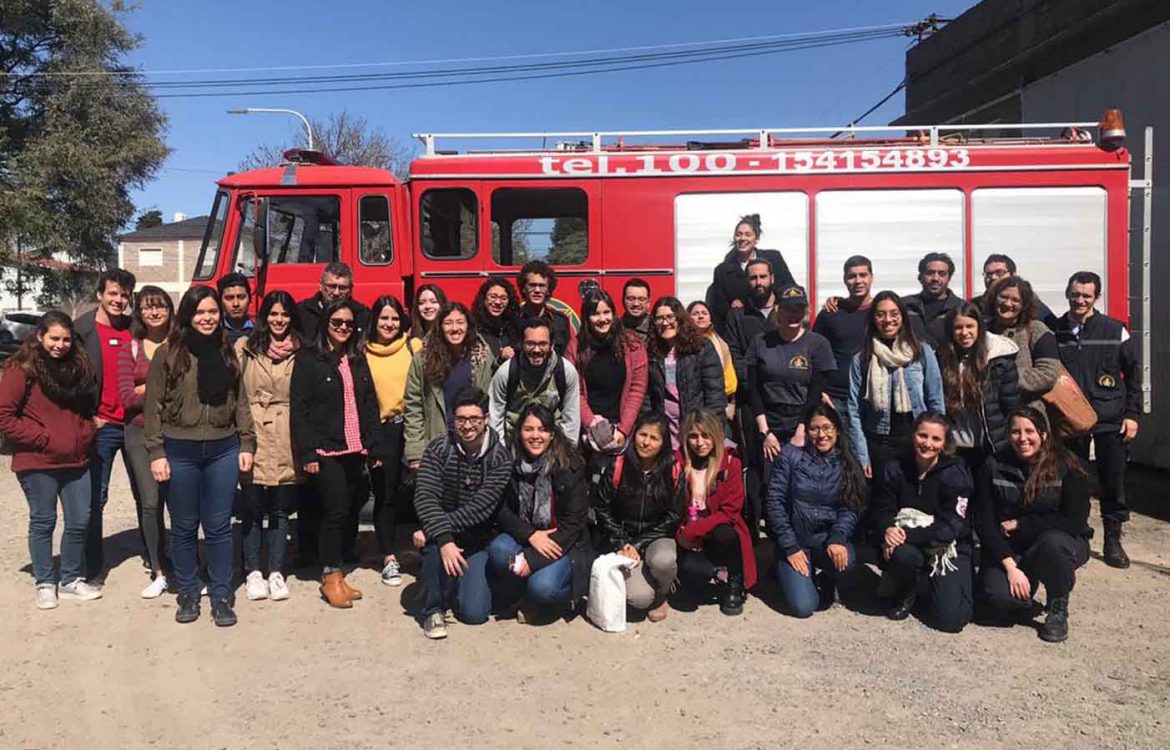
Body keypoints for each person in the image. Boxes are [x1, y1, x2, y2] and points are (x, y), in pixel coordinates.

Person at [144, 286, 256, 627]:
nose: (207, 318)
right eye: (200, 312)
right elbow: (153, 406)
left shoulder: (226, 351)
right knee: (184, 526)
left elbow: (240, 400)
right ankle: (189, 592)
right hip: (180, 449)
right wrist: (156, 452)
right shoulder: (167, 354)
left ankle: (221, 595)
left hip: (223, 448)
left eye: (212, 312)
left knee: (219, 526)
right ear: (188, 316)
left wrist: (247, 443)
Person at [0, 312, 100, 609]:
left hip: (77, 460)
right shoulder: (22, 369)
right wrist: (42, 437)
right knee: (43, 522)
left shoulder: (78, 366)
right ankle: (45, 582)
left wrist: (86, 430)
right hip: (38, 461)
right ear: (40, 336)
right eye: (54, 338)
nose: (60, 345)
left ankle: (70, 578)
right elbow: (4, 415)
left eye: (66, 339)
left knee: (79, 521)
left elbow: (84, 408)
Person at [290, 298, 384, 609]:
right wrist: (307, 454)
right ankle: (330, 575)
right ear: (325, 324)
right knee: (335, 511)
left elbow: (369, 403)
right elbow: (299, 410)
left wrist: (374, 445)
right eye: (337, 322)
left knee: (350, 509)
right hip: (326, 449)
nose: (343, 327)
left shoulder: (356, 358)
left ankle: (339, 572)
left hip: (355, 447)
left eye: (348, 324)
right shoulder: (309, 360)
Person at [974, 407, 1091, 643]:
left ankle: (1058, 606)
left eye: (1030, 431)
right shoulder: (994, 464)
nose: (1022, 438)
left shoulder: (1068, 464)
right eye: (1016, 432)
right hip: (1012, 548)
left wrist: (1021, 524)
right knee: (1001, 600)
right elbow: (984, 521)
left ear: (1043, 434)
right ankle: (1026, 583)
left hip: (1061, 542)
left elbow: (1074, 521)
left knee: (1052, 545)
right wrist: (1010, 568)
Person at [1052, 271, 1140, 569]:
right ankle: (1078, 537)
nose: (1080, 300)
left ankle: (1113, 540)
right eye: (1075, 294)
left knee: (1112, 480)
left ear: (1096, 297)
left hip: (1109, 418)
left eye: (1086, 295)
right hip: (1070, 420)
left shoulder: (1114, 330)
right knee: (1074, 481)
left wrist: (1132, 415)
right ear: (1068, 294)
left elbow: (1134, 375)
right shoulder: (1055, 331)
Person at [413, 387, 512, 639]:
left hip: (478, 540)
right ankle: (433, 610)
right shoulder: (438, 449)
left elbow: (479, 509)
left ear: (486, 419)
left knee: (474, 614)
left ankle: (461, 583)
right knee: (433, 549)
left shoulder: (500, 458)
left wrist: (433, 528)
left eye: (474, 419)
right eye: (461, 419)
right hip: (442, 538)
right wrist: (443, 538)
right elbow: (425, 496)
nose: (467, 426)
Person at [744, 284, 836, 535]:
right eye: (787, 309)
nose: (793, 314)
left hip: (802, 419)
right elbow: (753, 388)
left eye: (799, 309)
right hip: (768, 419)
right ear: (778, 311)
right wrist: (765, 432)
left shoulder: (817, 344)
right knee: (771, 485)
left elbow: (816, 390)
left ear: (806, 311)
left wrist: (802, 430)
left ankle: (803, 537)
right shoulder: (761, 342)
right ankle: (775, 537)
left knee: (801, 483)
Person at [488, 403, 592, 623]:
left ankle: (556, 599)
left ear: (552, 435)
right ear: (519, 432)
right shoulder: (509, 460)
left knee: (544, 587)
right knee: (499, 551)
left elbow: (574, 523)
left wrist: (532, 560)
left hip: (561, 541)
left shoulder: (569, 465)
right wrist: (531, 535)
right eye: (528, 429)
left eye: (542, 430)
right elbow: (500, 509)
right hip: (526, 535)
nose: (535, 436)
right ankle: (519, 593)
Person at [871, 412, 973, 633]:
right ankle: (907, 590)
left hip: (947, 548)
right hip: (908, 547)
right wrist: (888, 529)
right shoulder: (895, 467)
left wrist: (905, 534)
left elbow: (950, 526)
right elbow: (881, 508)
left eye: (936, 439)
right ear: (913, 435)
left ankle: (938, 585)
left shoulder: (956, 474)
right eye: (922, 435)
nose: (927, 443)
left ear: (944, 444)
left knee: (950, 621)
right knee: (901, 554)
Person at [766, 405, 866, 618]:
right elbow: (775, 503)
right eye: (814, 428)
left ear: (837, 429)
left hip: (825, 540)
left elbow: (850, 508)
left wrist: (838, 537)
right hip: (795, 541)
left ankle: (826, 578)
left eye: (827, 427)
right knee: (804, 607)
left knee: (847, 560)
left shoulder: (846, 463)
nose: (821, 434)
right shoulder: (790, 456)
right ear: (806, 431)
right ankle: (783, 569)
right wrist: (790, 547)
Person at [236, 290, 303, 603]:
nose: (279, 320)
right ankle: (252, 570)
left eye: (285, 314)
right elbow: (235, 393)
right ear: (264, 316)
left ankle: (276, 570)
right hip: (253, 430)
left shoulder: (301, 349)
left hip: (287, 433)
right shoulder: (245, 347)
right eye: (274, 314)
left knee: (279, 507)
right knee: (251, 506)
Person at [74, 268, 137, 585]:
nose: (118, 300)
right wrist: (86, 415)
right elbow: (69, 378)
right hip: (102, 426)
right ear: (100, 294)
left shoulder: (135, 328)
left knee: (148, 495)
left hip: (135, 423)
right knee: (95, 498)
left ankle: (156, 558)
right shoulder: (80, 331)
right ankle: (93, 565)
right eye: (113, 293)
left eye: (124, 295)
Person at [592, 412, 684, 622]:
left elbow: (674, 516)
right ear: (634, 435)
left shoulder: (673, 469)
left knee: (663, 562)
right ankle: (647, 581)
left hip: (657, 536)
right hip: (624, 537)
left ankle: (662, 594)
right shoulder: (618, 465)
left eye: (654, 438)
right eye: (643, 435)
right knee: (639, 599)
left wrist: (638, 544)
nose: (646, 443)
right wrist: (623, 542)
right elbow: (602, 507)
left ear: (663, 443)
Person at [845, 291, 946, 478]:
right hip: (878, 443)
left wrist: (937, 442)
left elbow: (935, 399)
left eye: (894, 314)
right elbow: (854, 409)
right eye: (880, 314)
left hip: (917, 441)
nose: (887, 320)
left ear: (903, 317)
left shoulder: (921, 352)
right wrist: (862, 454)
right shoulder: (861, 359)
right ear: (873, 319)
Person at [116, 285, 174, 598]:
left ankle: (185, 563)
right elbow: (126, 398)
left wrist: (146, 389)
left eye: (160, 305)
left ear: (169, 309)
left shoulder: (180, 344)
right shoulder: (131, 347)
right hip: (138, 432)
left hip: (177, 431)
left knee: (181, 502)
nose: (154, 312)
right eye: (147, 306)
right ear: (139, 312)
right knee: (151, 502)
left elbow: (187, 391)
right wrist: (160, 388)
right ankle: (158, 569)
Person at [675, 409, 755, 616]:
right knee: (689, 593)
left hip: (717, 532)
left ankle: (735, 581)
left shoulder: (731, 464)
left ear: (716, 436)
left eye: (706, 435)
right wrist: (682, 531)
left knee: (724, 532)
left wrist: (693, 530)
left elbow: (729, 513)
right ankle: (714, 573)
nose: (700, 442)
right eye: (693, 436)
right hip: (688, 535)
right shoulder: (678, 463)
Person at [403, 302, 494, 468]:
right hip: (437, 443)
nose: (454, 328)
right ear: (440, 327)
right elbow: (413, 406)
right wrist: (415, 452)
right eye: (448, 323)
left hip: (474, 441)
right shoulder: (423, 360)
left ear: (468, 326)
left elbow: (493, 402)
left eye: (460, 322)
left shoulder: (483, 358)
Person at [564, 289, 647, 469]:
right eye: (595, 314)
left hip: (622, 430)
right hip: (588, 431)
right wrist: (593, 425)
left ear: (614, 313)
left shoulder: (633, 345)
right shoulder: (575, 347)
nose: (602, 319)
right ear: (586, 318)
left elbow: (637, 389)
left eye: (606, 312)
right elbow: (574, 392)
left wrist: (623, 430)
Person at [364, 294, 414, 587]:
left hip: (411, 427)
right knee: (386, 494)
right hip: (380, 431)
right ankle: (388, 556)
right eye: (384, 318)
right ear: (374, 320)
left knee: (424, 491)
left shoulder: (413, 347)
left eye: (394, 318)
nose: (389, 323)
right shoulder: (362, 351)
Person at [937, 302, 1020, 473]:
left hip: (989, 444)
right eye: (958, 327)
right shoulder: (941, 359)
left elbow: (1011, 405)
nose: (964, 332)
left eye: (970, 326)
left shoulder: (998, 360)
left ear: (979, 327)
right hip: (954, 446)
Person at [644, 296, 726, 449]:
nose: (665, 323)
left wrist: (712, 430)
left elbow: (715, 394)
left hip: (696, 428)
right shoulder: (651, 353)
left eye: (670, 317)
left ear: (680, 318)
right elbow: (647, 396)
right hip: (665, 429)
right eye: (659, 318)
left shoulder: (701, 348)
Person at [488, 317, 580, 446]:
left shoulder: (566, 372)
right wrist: (499, 453)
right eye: (530, 344)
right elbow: (495, 417)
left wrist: (567, 453)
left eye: (543, 344)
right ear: (522, 344)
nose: (536, 350)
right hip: (514, 443)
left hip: (552, 444)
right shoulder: (506, 372)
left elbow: (571, 419)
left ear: (552, 345)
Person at [706, 213, 795, 336]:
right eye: (739, 234)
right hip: (744, 329)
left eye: (748, 234)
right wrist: (732, 308)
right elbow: (718, 307)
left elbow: (789, 288)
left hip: (775, 323)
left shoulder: (774, 258)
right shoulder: (722, 271)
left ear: (756, 239)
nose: (743, 238)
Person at [985, 276, 1061, 405]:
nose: (1007, 304)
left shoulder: (1037, 330)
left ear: (1024, 305)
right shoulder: (982, 329)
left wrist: (1007, 381)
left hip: (1026, 410)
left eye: (1015, 300)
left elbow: (1048, 373)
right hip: (988, 410)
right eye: (1003, 297)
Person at [813, 255, 874, 409]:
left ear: (871, 277)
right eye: (852, 276)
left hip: (874, 396)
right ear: (845, 280)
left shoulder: (881, 312)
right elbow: (814, 354)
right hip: (837, 397)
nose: (858, 281)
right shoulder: (831, 313)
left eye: (863, 275)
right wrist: (819, 390)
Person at [971, 254, 1057, 328]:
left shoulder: (1031, 304)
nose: (993, 277)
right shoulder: (974, 306)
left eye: (999, 273)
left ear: (1013, 274)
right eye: (988, 274)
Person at [902, 252, 964, 349]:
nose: (935, 278)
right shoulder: (905, 306)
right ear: (920, 277)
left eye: (942, 274)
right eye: (930, 273)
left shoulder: (961, 308)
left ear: (949, 278)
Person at [687, 300, 737, 418]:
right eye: (695, 314)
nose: (700, 316)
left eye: (704, 313)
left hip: (718, 402)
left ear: (710, 319)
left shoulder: (721, 344)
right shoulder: (683, 344)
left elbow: (731, 380)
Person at [298, 262, 370, 342]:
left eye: (342, 288)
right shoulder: (301, 312)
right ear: (321, 285)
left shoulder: (362, 316)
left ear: (350, 289)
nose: (336, 293)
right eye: (331, 286)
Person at [517, 260, 575, 356]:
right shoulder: (513, 319)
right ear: (523, 288)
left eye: (542, 286)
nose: (537, 290)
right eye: (532, 285)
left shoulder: (561, 321)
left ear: (548, 290)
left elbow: (568, 355)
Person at [472, 277, 521, 369]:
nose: (498, 302)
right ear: (484, 298)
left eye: (503, 298)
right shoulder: (473, 330)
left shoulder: (514, 329)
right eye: (493, 297)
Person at [217, 272, 253, 343]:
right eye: (229, 298)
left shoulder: (260, 333)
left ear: (250, 299)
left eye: (241, 297)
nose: (236, 304)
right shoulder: (214, 334)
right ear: (220, 301)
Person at [621, 278, 653, 343]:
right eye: (631, 299)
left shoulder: (656, 328)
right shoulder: (615, 329)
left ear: (648, 303)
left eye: (641, 299)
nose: (636, 304)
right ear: (623, 301)